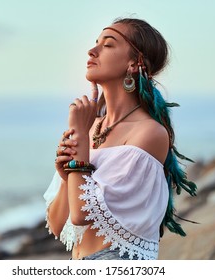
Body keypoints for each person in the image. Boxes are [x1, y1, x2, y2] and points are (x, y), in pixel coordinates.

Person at [44, 17, 197, 260]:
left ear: (134, 62)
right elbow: (56, 224)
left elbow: (81, 214)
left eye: (108, 44)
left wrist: (80, 139)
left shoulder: (149, 133)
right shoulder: (92, 126)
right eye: (96, 43)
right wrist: (66, 177)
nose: (92, 50)